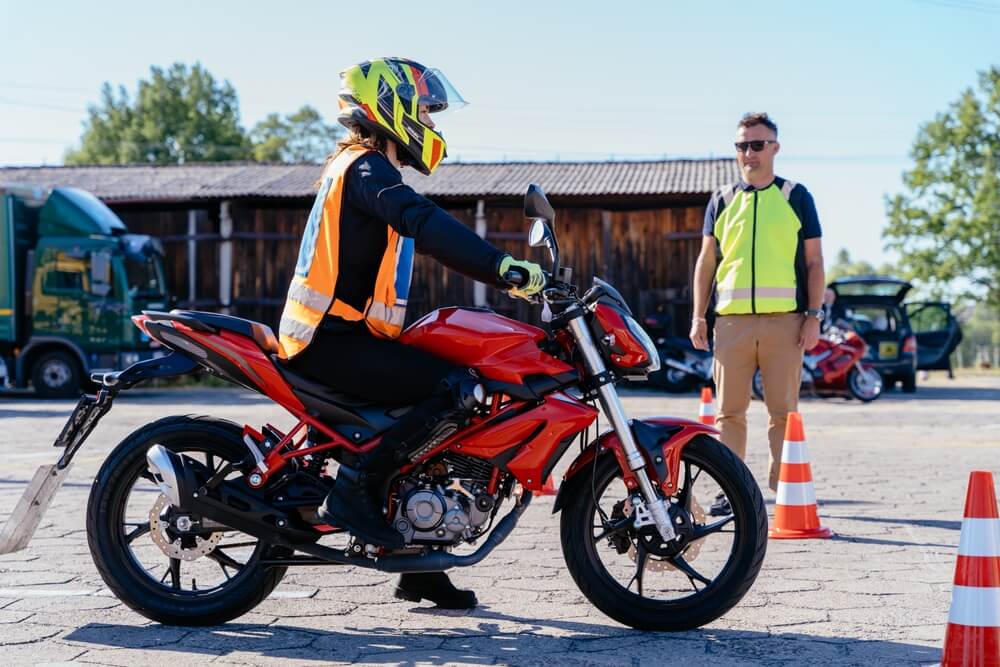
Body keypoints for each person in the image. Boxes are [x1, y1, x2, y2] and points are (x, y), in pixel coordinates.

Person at [278, 58, 545, 608]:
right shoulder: (367, 169)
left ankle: (416, 562)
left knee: (440, 387)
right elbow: (425, 224)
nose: (428, 121)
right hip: (329, 343)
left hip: (345, 339)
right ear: (389, 107)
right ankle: (354, 490)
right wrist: (503, 268)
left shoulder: (363, 168)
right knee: (456, 389)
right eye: (422, 109)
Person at [690, 112, 825, 514]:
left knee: (783, 413)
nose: (748, 152)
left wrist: (814, 315)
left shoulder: (796, 196)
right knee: (728, 413)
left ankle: (784, 489)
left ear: (775, 148)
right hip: (730, 324)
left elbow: (815, 262)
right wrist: (700, 315)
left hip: (786, 323)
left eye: (757, 144)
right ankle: (729, 493)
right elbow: (706, 261)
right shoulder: (721, 200)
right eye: (742, 145)